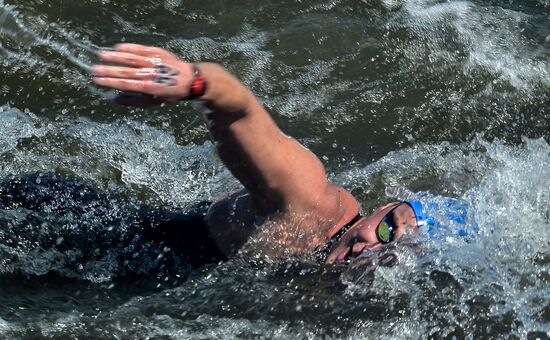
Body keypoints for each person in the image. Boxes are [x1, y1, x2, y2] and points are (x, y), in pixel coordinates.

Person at [91, 43, 476, 266]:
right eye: (389, 230)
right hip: (102, 240)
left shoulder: (344, 282)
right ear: (385, 206)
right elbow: (240, 110)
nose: (371, 249)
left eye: (394, 258)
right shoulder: (314, 206)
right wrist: (192, 83)